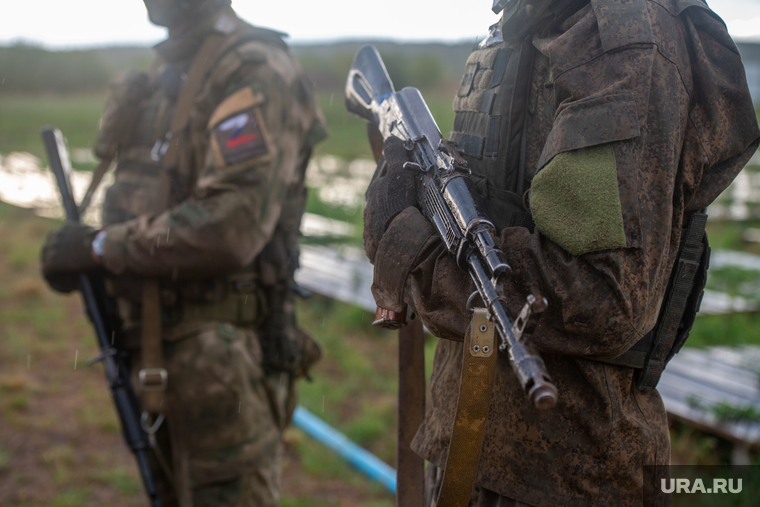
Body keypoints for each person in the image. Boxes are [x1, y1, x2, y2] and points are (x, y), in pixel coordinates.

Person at [363, 0, 759, 505]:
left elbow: (600, 294)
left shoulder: (621, 39)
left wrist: (409, 247)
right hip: (470, 445)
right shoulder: (532, 20)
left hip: (561, 477)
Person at [40, 0, 327, 505]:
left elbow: (229, 225)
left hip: (222, 366)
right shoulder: (174, 65)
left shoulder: (252, 66)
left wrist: (100, 248)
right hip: (154, 350)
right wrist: (88, 260)